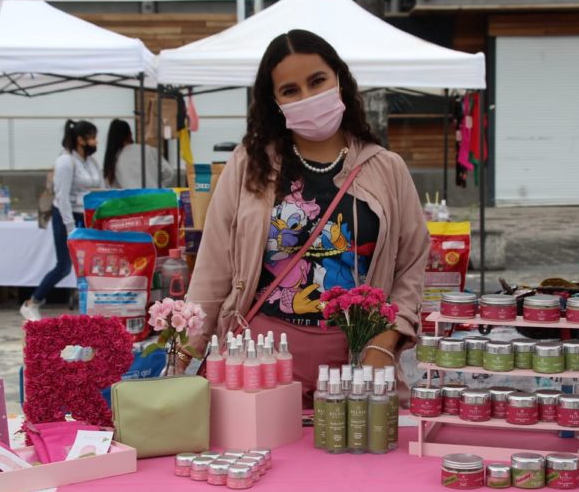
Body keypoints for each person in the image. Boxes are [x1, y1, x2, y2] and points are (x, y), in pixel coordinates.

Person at [184, 29, 430, 406]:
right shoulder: (249, 165)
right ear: (275, 102)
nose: (307, 97)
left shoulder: (387, 168)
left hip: (359, 362)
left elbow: (412, 262)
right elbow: (213, 266)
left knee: (362, 463)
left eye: (317, 81)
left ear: (340, 80)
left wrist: (386, 341)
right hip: (260, 362)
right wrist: (182, 350)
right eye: (290, 90)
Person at [20, 120, 105, 321]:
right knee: (64, 266)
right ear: (80, 139)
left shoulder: (90, 162)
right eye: (92, 137)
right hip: (67, 217)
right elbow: (62, 197)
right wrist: (70, 227)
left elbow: (100, 188)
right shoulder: (66, 162)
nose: (95, 141)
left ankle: (92, 307)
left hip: (87, 217)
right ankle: (32, 302)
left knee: (91, 265)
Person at [103, 118, 175, 188]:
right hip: (154, 197)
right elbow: (169, 173)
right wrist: (157, 187)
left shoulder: (113, 159)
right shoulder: (148, 150)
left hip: (130, 199)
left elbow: (112, 187)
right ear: (130, 134)